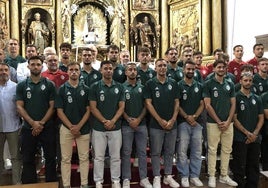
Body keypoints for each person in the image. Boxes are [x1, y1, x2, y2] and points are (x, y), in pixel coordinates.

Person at [16, 55, 57, 184]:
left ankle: (51, 184)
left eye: (38, 64)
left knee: (50, 158)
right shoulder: (22, 85)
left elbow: (52, 107)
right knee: (28, 158)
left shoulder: (49, 84)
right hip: (29, 128)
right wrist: (33, 123)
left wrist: (41, 123)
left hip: (47, 127)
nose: (35, 67)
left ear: (42, 66)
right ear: (28, 66)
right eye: (32, 64)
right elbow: (19, 106)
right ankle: (30, 185)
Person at [144, 58, 180, 188]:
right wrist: (160, 120)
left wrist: (173, 119)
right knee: (155, 152)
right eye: (159, 65)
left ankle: (168, 176)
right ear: (155, 68)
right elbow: (148, 103)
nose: (162, 68)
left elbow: (177, 102)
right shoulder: (150, 84)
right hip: (155, 125)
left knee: (170, 152)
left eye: (164, 65)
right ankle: (157, 177)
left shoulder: (173, 83)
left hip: (172, 124)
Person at [89, 60, 125, 188]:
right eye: (106, 68)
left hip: (115, 127)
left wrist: (113, 121)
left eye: (110, 68)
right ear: (101, 70)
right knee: (99, 157)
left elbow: (121, 107)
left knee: (115, 156)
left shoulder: (120, 87)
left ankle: (115, 180)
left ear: (113, 70)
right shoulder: (95, 86)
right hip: (99, 127)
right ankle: (98, 181)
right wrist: (105, 121)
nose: (108, 70)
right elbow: (93, 108)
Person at [203, 59, 238, 187]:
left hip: (228, 123)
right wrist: (218, 121)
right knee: (212, 150)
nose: (221, 69)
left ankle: (224, 175)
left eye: (223, 67)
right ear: (214, 69)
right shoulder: (208, 84)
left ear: (226, 69)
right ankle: (212, 175)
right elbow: (207, 105)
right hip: (213, 123)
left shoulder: (230, 84)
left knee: (227, 149)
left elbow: (233, 103)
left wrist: (228, 121)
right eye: (219, 67)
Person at [55, 62, 90, 188]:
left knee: (84, 158)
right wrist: (71, 127)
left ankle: (84, 184)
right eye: (71, 70)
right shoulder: (61, 89)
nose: (74, 72)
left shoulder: (86, 89)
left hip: (83, 128)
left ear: (80, 72)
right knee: (65, 159)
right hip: (66, 128)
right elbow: (59, 111)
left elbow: (89, 110)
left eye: (76, 69)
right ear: (67, 72)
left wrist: (78, 126)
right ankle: (66, 185)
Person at [121, 62, 152, 188]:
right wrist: (129, 120)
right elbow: (120, 108)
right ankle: (126, 179)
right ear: (126, 72)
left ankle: (144, 178)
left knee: (142, 153)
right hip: (126, 125)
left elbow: (146, 106)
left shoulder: (143, 87)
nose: (133, 71)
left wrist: (138, 120)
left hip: (141, 124)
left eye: (134, 69)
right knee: (127, 152)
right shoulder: (121, 87)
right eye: (130, 70)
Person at [232, 72, 264, 188]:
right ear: (240, 81)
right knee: (239, 165)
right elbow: (234, 118)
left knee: (254, 165)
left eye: (250, 80)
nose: (248, 83)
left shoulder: (257, 98)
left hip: (255, 138)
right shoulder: (235, 97)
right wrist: (247, 133)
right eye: (245, 80)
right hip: (240, 138)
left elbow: (261, 118)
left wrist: (254, 134)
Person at [176, 60, 204, 187]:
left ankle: (194, 175)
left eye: (193, 69)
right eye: (188, 69)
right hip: (183, 122)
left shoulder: (199, 85)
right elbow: (177, 105)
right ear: (183, 70)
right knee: (182, 151)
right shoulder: (178, 85)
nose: (191, 71)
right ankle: (184, 175)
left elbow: (202, 104)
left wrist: (195, 116)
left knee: (197, 151)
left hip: (197, 123)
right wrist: (187, 117)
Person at [0, 63, 21, 184]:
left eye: (5, 70)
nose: (3, 72)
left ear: (9, 72)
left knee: (15, 157)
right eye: (1, 70)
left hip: (13, 126)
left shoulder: (16, 87)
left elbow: (21, 107)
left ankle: (17, 183)